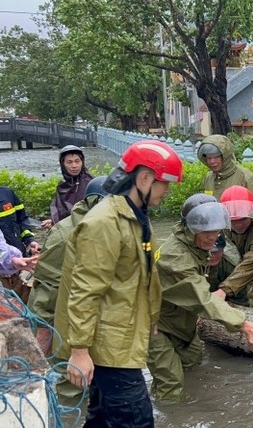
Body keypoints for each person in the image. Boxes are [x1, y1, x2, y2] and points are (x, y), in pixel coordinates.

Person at [53, 139, 183, 427]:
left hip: (117, 336)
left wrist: (151, 319)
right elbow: (85, 290)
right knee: (136, 419)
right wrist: (79, 351)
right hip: (108, 345)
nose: (167, 192)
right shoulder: (104, 222)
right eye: (165, 184)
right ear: (145, 178)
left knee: (101, 417)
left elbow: (142, 278)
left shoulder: (136, 218)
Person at [148, 195, 253, 403]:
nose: (212, 237)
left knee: (194, 367)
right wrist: (246, 325)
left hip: (183, 324)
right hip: (158, 327)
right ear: (190, 227)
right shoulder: (174, 258)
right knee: (171, 386)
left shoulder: (195, 246)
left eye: (216, 230)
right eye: (206, 231)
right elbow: (203, 298)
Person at [30, 176, 108, 369]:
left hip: (94, 317)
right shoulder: (65, 236)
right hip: (65, 319)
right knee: (69, 380)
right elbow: (48, 287)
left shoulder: (108, 229)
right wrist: (44, 329)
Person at [0, 186, 41, 303]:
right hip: (7, 264)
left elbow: (21, 219)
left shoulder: (7, 193)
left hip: (17, 262)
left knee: (22, 304)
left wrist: (30, 240)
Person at [42, 145, 94, 229]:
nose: (74, 166)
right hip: (67, 231)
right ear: (63, 165)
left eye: (77, 161)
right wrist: (53, 221)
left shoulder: (91, 183)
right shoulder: (62, 185)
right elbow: (61, 211)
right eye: (69, 162)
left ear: (82, 162)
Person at [198, 134, 253, 199]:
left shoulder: (244, 176)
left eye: (216, 157)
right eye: (209, 158)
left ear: (225, 156)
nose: (212, 161)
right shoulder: (209, 178)